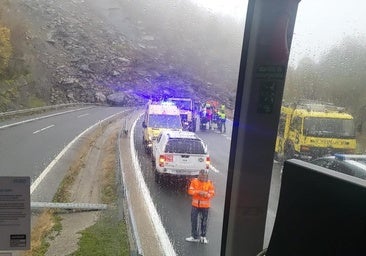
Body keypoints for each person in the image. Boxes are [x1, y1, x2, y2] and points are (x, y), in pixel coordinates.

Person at [185, 169, 215, 244]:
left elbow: (212, 194)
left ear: (206, 176)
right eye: (200, 176)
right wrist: (198, 192)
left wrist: (206, 195)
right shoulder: (194, 181)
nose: (202, 178)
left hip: (205, 206)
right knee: (194, 221)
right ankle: (194, 236)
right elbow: (190, 191)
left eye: (203, 177)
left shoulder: (209, 183)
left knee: (204, 222)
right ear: (199, 175)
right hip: (195, 205)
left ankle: (203, 237)